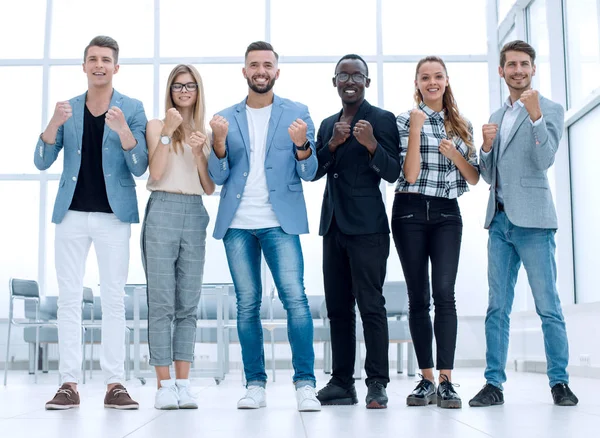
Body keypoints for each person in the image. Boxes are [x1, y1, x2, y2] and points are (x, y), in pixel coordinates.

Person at [208, 41, 321, 412]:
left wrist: (302, 144)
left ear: (276, 71)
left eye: (267, 65)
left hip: (280, 222)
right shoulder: (225, 117)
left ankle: (305, 383)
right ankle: (254, 384)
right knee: (247, 306)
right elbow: (217, 176)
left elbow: (309, 172)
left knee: (296, 301)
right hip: (238, 224)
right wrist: (219, 144)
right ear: (244, 71)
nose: (260, 70)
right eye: (253, 64)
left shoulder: (297, 113)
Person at [36, 36, 147, 410]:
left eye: (106, 59)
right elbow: (42, 160)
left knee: (113, 300)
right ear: (84, 66)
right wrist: (54, 122)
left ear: (117, 67)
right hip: (70, 215)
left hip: (113, 217)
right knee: (69, 299)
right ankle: (68, 383)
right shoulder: (67, 109)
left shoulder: (131, 107)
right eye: (92, 59)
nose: (99, 65)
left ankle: (115, 384)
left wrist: (124, 132)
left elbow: (141, 165)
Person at [469, 40, 578, 408]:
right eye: (511, 64)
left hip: (533, 222)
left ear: (533, 69)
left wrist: (534, 118)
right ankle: (493, 384)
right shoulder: (496, 117)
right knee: (497, 307)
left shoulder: (549, 109)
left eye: (524, 64)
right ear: (502, 71)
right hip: (499, 222)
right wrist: (484, 149)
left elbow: (544, 159)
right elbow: (488, 175)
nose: (518, 70)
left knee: (549, 306)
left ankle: (559, 383)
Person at [391, 56, 479, 409]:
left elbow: (472, 177)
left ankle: (446, 381)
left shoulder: (461, 124)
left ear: (446, 80)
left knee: (445, 293)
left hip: (446, 213)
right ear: (417, 83)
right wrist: (415, 129)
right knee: (418, 296)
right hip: (409, 210)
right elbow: (409, 175)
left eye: (437, 76)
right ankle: (425, 379)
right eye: (425, 77)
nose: (432, 82)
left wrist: (454, 153)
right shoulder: (404, 120)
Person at [313, 54, 400, 409]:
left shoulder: (381, 119)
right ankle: (341, 382)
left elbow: (393, 172)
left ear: (366, 81)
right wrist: (331, 143)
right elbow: (315, 169)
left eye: (357, 75)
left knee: (371, 306)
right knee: (337, 308)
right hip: (333, 226)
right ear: (334, 82)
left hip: (368, 229)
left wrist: (372, 146)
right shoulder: (327, 123)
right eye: (343, 75)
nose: (350, 81)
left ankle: (377, 383)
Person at [142, 64, 215, 410]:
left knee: (188, 304)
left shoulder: (205, 132)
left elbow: (210, 187)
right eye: (177, 85)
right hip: (162, 208)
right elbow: (155, 172)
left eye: (190, 86)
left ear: (197, 90)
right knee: (161, 304)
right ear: (170, 90)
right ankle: (163, 385)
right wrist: (169, 132)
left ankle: (183, 384)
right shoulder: (157, 125)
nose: (184, 91)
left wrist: (201, 154)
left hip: (195, 211)